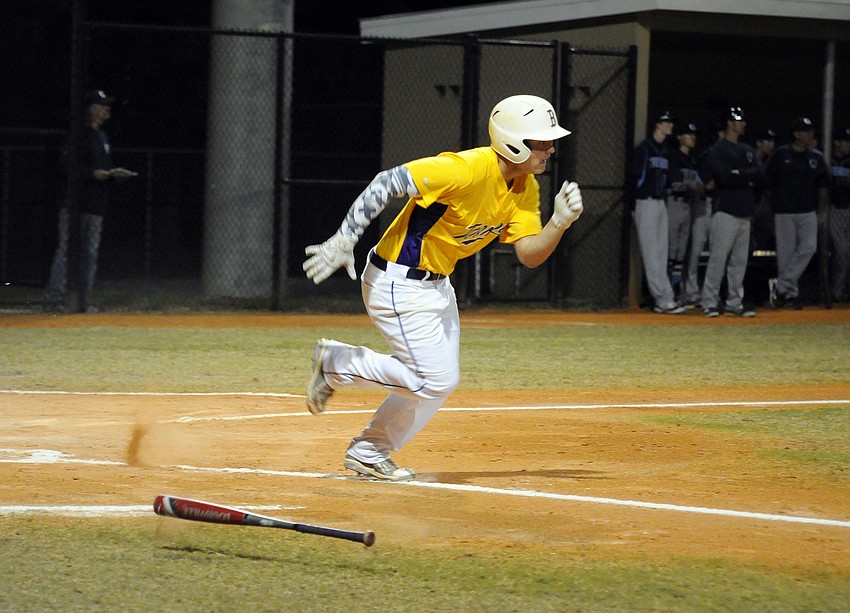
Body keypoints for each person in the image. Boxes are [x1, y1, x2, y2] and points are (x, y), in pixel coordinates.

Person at [301, 94, 583, 481]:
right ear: (512, 141)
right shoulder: (465, 168)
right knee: (430, 380)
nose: (550, 148)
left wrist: (559, 224)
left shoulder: (525, 187)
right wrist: (344, 239)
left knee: (439, 381)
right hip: (396, 281)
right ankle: (336, 364)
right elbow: (388, 182)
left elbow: (529, 255)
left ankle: (368, 451)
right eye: (541, 141)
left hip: (436, 285)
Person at [43, 89, 137, 313]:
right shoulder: (78, 135)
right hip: (74, 205)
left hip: (96, 205)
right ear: (92, 109)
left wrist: (114, 176)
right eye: (103, 106)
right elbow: (67, 168)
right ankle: (54, 298)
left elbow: (102, 168)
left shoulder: (102, 137)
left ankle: (84, 301)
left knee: (90, 254)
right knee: (66, 249)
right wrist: (93, 174)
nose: (107, 110)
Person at [699, 106, 765, 317]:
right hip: (725, 211)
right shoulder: (718, 150)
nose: (743, 123)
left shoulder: (746, 149)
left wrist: (740, 174)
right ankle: (709, 301)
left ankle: (734, 303)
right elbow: (723, 178)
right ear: (730, 123)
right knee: (718, 259)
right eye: (739, 120)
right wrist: (747, 178)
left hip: (744, 212)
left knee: (739, 262)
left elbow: (761, 175)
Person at [766, 117, 830, 309]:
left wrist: (821, 211)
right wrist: (775, 204)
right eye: (806, 131)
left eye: (811, 131)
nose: (811, 135)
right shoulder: (781, 154)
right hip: (784, 211)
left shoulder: (816, 157)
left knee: (809, 247)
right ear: (796, 134)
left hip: (807, 211)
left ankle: (781, 284)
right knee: (786, 255)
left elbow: (823, 186)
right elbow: (768, 180)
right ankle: (789, 295)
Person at [629, 110, 684, 314]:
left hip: (661, 204)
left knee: (662, 252)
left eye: (670, 121)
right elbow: (634, 179)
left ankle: (667, 296)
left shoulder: (666, 150)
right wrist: (633, 207)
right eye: (665, 121)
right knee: (652, 253)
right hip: (646, 203)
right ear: (657, 125)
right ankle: (661, 299)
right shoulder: (645, 148)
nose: (669, 125)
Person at [666, 121, 702, 301]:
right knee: (671, 249)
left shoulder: (692, 160)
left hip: (688, 206)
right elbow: (675, 184)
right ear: (680, 137)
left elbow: (696, 186)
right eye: (688, 134)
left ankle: (675, 289)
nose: (692, 137)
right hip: (674, 203)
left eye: (693, 134)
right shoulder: (674, 157)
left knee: (681, 251)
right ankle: (667, 291)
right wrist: (692, 186)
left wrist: (691, 186)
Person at [827, 126, 850, 302]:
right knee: (841, 252)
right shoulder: (828, 159)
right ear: (836, 142)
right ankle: (837, 291)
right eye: (845, 141)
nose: (848, 145)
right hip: (835, 210)